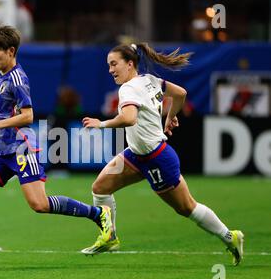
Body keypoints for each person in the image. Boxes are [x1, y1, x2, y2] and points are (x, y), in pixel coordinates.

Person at [0, 25, 113, 263]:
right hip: (3, 150)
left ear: (11, 50)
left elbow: (28, 116)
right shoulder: (2, 75)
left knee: (39, 204)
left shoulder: (18, 78)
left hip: (22, 149)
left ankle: (98, 214)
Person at [81, 43, 244, 266]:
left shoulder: (128, 89)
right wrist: (170, 116)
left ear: (130, 64)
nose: (110, 70)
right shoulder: (149, 80)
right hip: (136, 156)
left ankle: (230, 237)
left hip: (157, 159)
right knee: (100, 188)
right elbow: (181, 94)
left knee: (187, 208)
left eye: (114, 64)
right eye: (108, 65)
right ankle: (109, 236)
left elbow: (129, 118)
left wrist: (101, 124)